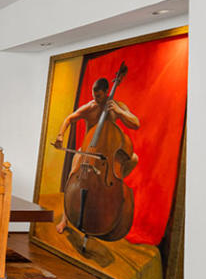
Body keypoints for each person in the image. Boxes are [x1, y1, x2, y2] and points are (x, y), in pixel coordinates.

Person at [53, 78, 140, 233]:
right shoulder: (90, 107)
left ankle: (113, 189)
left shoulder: (116, 106)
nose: (96, 99)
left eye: (99, 96)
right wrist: (60, 135)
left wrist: (120, 112)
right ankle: (65, 219)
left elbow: (136, 123)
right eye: (94, 95)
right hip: (87, 151)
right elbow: (69, 118)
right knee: (72, 175)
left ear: (107, 93)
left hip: (106, 154)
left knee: (133, 158)